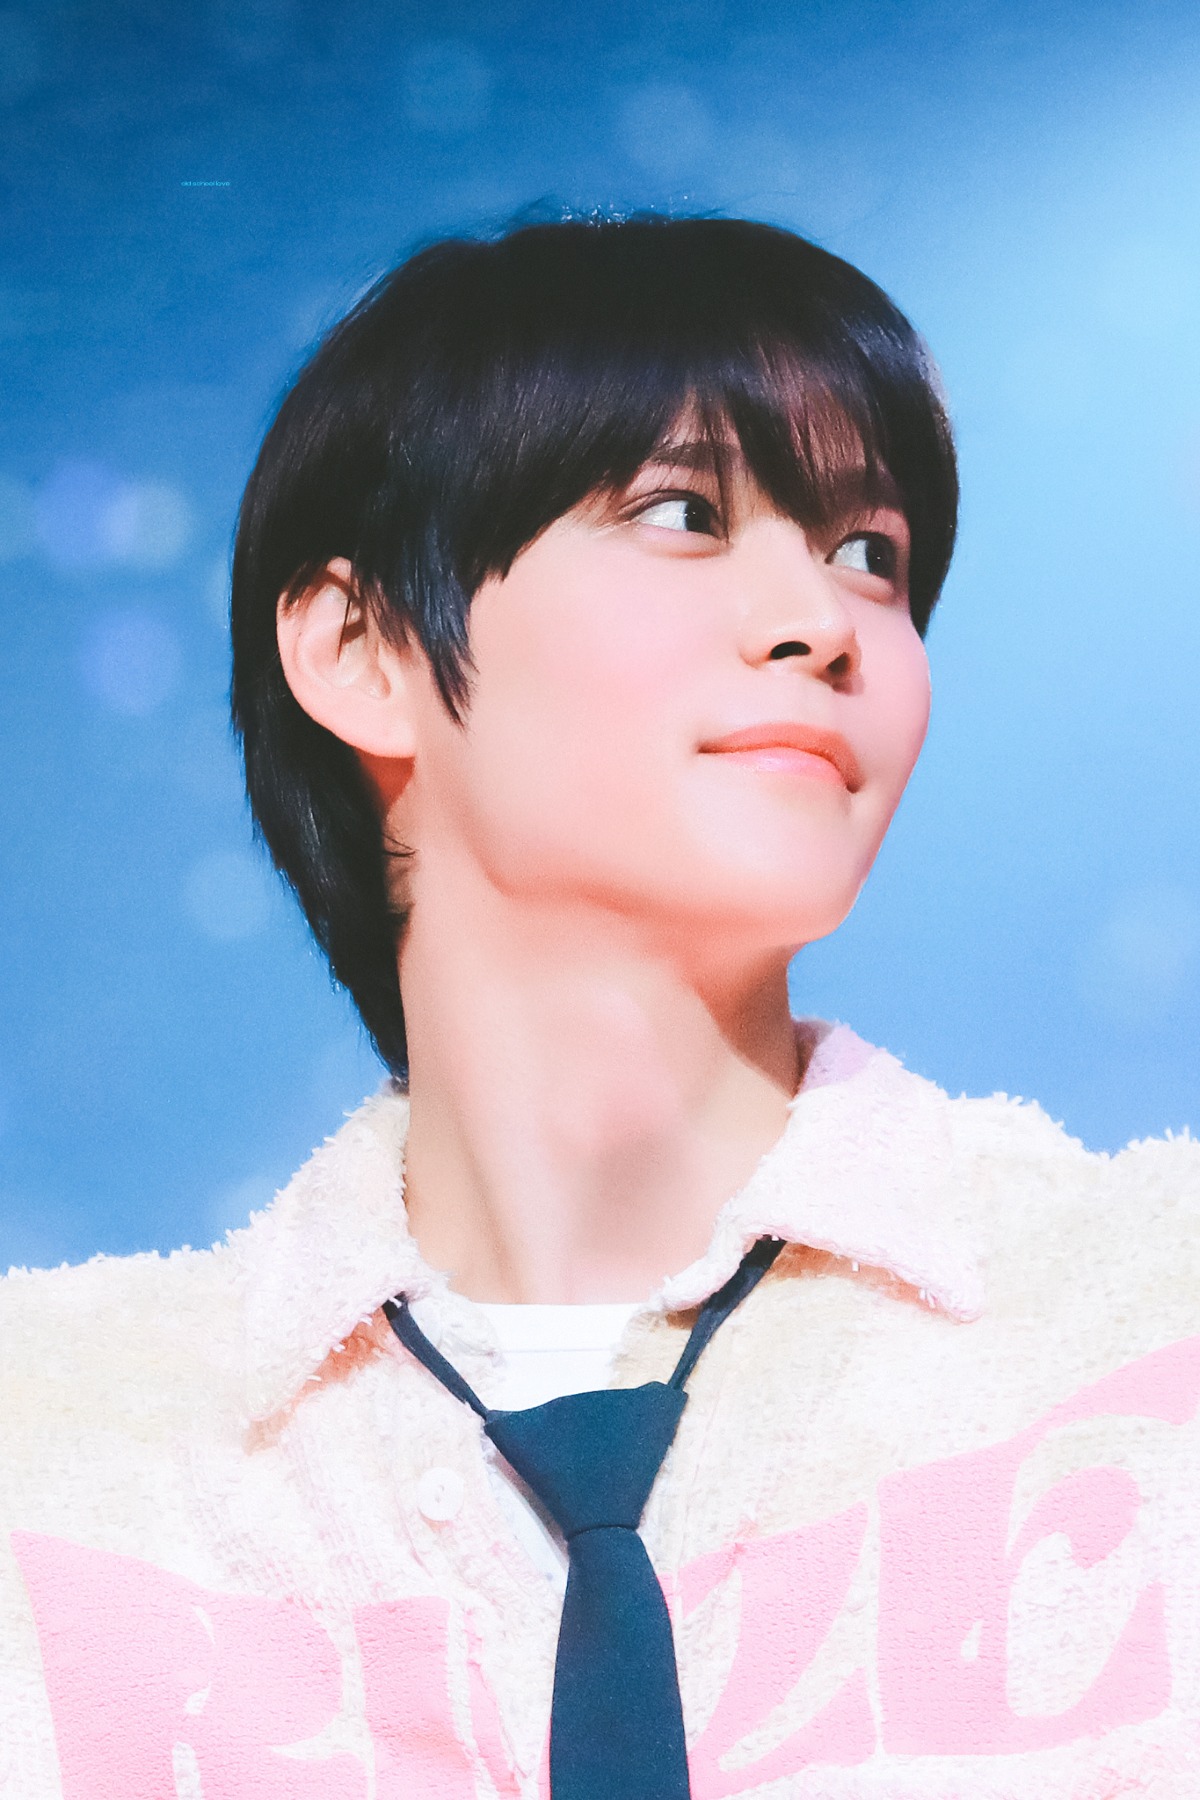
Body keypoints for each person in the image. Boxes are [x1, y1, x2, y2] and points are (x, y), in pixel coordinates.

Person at [1, 214, 1197, 1799]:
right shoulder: (58, 1460)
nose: (824, 624)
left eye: (872, 553)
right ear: (360, 647)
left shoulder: (1153, 1318)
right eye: (684, 514)